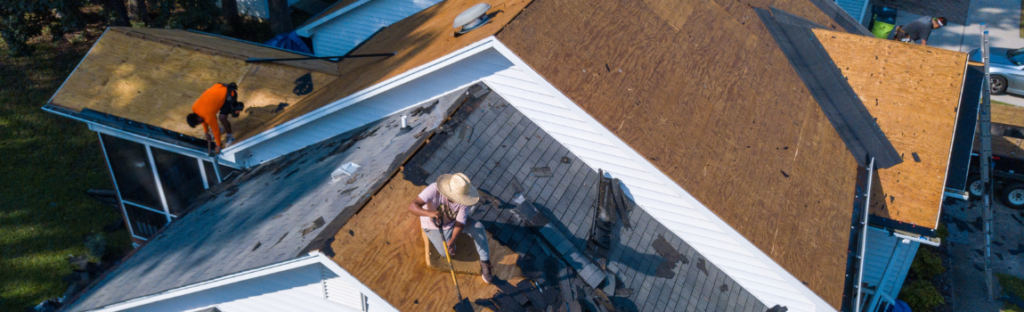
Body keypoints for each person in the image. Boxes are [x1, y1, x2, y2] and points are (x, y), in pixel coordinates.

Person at [407, 173, 493, 284]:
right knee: (445, 253)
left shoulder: (464, 197)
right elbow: (412, 206)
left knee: (478, 227)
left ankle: (485, 261)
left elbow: (460, 222)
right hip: (433, 226)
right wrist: (429, 213)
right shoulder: (433, 189)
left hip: (452, 222)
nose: (458, 200)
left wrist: (452, 241)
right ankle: (441, 238)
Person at [186, 83, 242, 154]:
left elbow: (216, 131)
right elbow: (202, 119)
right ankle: (222, 130)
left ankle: (230, 136)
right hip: (220, 87)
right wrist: (206, 132)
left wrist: (218, 145)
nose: (201, 123)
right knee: (210, 117)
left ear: (197, 118)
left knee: (222, 118)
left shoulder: (207, 116)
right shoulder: (195, 107)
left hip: (229, 95)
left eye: (198, 122)